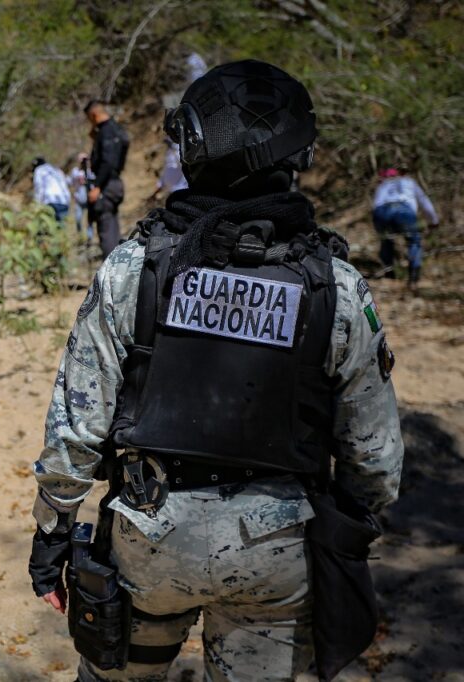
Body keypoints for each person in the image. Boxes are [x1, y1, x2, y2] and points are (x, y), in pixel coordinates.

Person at [30, 60, 403, 682]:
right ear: (298, 155)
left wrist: (52, 532)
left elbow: (76, 426)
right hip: (281, 547)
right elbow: (375, 454)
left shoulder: (134, 266)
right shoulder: (334, 285)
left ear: (194, 151)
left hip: (148, 538)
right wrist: (356, 526)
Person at [372, 167, 439, 285]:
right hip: (404, 211)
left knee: (386, 241)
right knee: (414, 241)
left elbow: (375, 205)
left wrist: (378, 227)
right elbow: (425, 202)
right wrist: (434, 220)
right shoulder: (409, 181)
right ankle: (414, 276)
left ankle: (389, 273)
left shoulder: (382, 184)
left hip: (381, 212)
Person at [84, 100, 129, 259]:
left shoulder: (106, 131)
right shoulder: (116, 129)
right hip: (114, 183)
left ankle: (111, 274)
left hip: (106, 186)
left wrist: (97, 186)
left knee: (106, 230)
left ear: (94, 115)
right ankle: (118, 269)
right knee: (112, 228)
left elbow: (108, 161)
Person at [32, 157, 72, 224]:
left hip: (50, 201)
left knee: (49, 228)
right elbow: (65, 184)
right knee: (60, 228)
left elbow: (39, 187)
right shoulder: (57, 170)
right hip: (64, 201)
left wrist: (37, 204)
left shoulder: (39, 170)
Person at [69, 153, 94, 240]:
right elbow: (71, 182)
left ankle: (89, 237)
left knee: (89, 220)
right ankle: (80, 236)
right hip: (79, 199)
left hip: (89, 199)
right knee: (78, 218)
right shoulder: (75, 171)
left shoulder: (90, 171)